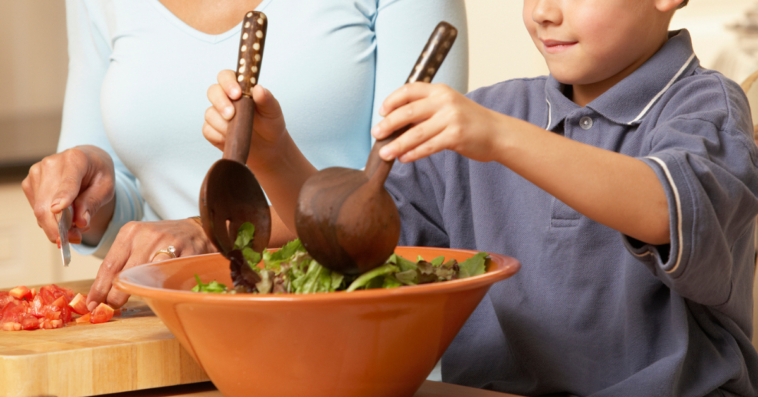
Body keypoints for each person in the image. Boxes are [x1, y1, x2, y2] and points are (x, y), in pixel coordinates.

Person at [204, 0, 758, 394]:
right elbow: (355, 228)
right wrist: (274, 157)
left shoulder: (707, 106)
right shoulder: (495, 110)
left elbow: (663, 207)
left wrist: (498, 137)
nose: (544, 11)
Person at [21, 0, 468, 312]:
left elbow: (412, 207)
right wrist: (89, 197)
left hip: (349, 325)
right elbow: (129, 209)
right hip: (176, 328)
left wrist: (207, 234)